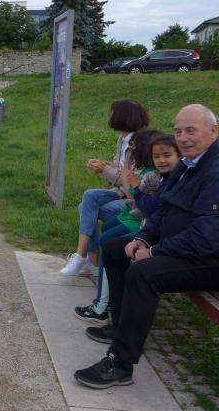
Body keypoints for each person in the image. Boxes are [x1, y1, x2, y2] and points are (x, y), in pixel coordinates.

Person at [74, 104, 219, 389]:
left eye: (191, 131)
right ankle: (120, 327)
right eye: (178, 131)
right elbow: (163, 209)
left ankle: (120, 363)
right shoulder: (188, 164)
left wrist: (154, 252)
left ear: (213, 131)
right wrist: (143, 239)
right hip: (186, 248)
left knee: (143, 273)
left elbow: (206, 237)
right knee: (115, 249)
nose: (183, 138)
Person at [74, 131, 180, 324]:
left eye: (167, 155)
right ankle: (105, 296)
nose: (161, 160)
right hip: (148, 227)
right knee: (106, 233)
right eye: (157, 156)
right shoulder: (161, 175)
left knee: (109, 244)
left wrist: (134, 184)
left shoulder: (155, 176)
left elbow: (144, 205)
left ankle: (102, 306)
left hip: (148, 228)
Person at [59, 100, 150, 276]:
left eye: (112, 113)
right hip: (120, 192)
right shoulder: (123, 139)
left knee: (86, 208)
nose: (110, 117)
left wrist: (104, 170)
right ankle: (87, 259)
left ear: (124, 116)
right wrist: (105, 165)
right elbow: (119, 167)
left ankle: (87, 259)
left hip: (134, 200)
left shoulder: (141, 143)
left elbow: (131, 179)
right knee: (89, 196)